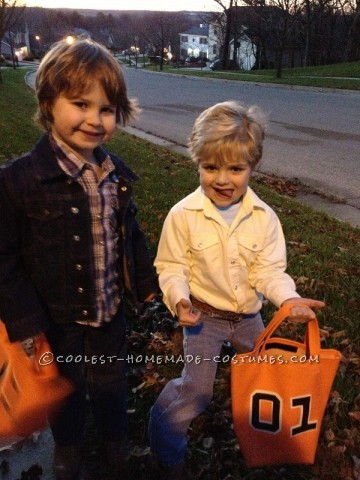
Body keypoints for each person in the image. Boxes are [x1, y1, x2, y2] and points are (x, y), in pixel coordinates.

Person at [0, 38, 158, 480]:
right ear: (49, 102)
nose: (94, 119)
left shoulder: (116, 174)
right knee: (64, 388)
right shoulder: (19, 181)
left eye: (106, 109)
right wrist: (26, 321)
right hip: (55, 320)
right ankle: (68, 447)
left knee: (110, 384)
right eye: (80, 104)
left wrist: (145, 284)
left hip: (108, 313)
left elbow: (130, 234)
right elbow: (4, 261)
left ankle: (114, 443)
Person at [148, 101, 325, 479]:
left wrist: (288, 298)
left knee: (269, 377)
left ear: (253, 167)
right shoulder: (183, 216)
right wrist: (179, 299)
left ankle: (269, 445)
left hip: (248, 317)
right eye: (211, 167)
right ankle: (165, 446)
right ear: (197, 162)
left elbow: (269, 270)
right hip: (203, 318)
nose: (223, 179)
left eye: (235, 168)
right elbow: (171, 266)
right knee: (198, 391)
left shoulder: (264, 219)